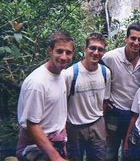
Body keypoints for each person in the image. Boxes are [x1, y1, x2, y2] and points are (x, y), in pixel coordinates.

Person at [16, 30, 75, 161]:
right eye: (59, 51)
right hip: (36, 146)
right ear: (50, 51)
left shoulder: (61, 74)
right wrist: (55, 157)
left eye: (68, 52)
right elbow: (32, 125)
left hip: (57, 141)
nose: (64, 56)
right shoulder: (37, 83)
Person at [102, 23, 140, 161]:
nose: (136, 43)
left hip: (135, 114)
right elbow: (97, 75)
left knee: (129, 152)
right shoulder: (110, 57)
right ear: (126, 38)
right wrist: (103, 98)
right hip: (115, 112)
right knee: (110, 150)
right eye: (133, 38)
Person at [65, 33, 111, 161]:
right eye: (92, 48)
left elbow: (104, 101)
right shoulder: (70, 74)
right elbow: (62, 104)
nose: (96, 52)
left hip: (97, 124)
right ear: (85, 49)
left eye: (100, 49)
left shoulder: (105, 72)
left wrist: (103, 125)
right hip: (75, 126)